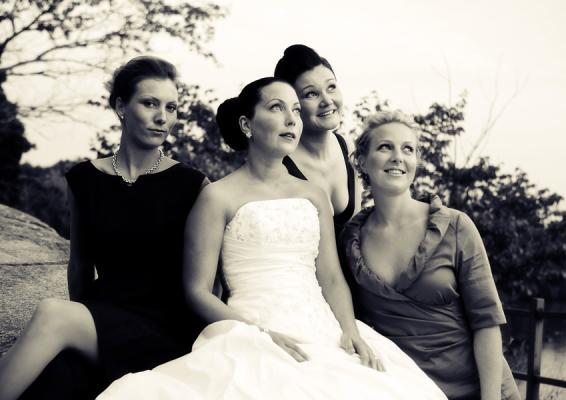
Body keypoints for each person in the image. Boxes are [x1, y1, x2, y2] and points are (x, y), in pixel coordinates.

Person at [96, 78, 446, 399]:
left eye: (296, 110)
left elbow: (330, 277)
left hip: (322, 326)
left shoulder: (313, 194)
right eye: (277, 108)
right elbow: (197, 291)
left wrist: (350, 329)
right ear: (247, 125)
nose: (291, 120)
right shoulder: (217, 196)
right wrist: (256, 333)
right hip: (251, 326)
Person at [0, 56, 209, 400]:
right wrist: (81, 328)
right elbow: (80, 265)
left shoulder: (193, 185)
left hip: (164, 328)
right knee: (54, 378)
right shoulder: (84, 178)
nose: (163, 117)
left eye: (171, 107)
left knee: (52, 314)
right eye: (150, 103)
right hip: (101, 318)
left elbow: (207, 283)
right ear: (121, 107)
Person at [340, 110, 520, 400]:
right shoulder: (350, 241)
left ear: (417, 161)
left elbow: (486, 324)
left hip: (477, 387)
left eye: (408, 149)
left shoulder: (457, 226)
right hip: (402, 389)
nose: (398, 157)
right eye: (385, 147)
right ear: (361, 160)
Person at [274, 44, 360, 238]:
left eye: (331, 87)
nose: (327, 101)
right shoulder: (279, 164)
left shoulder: (347, 148)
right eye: (311, 94)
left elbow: (354, 232)